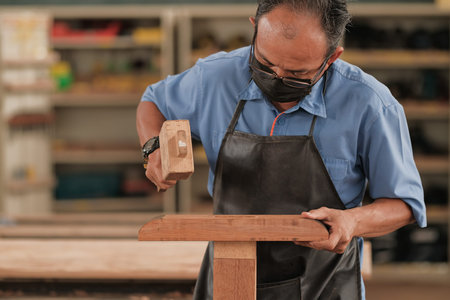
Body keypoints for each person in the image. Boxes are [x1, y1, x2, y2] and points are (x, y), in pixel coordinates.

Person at [136, 0, 426, 299]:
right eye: (264, 63)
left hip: (325, 284)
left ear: (331, 58)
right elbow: (153, 102)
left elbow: (404, 204)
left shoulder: (370, 104)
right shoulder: (214, 77)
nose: (275, 78)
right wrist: (154, 146)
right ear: (254, 30)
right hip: (228, 274)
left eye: (296, 74)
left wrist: (352, 221)